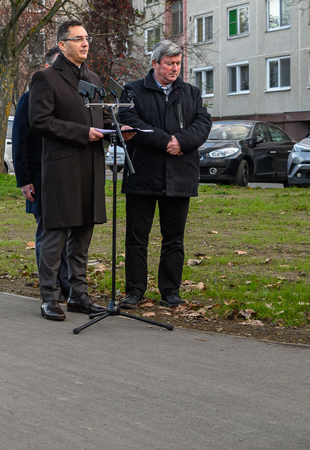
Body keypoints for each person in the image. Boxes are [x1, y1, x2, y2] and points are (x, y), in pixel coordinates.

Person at [29, 20, 129, 321]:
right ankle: (49, 297)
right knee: (55, 235)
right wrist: (82, 132)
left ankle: (78, 295)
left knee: (83, 234)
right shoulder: (45, 78)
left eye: (87, 39)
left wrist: (118, 128)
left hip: (91, 165)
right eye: (78, 39)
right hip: (61, 168)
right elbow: (40, 121)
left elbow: (97, 118)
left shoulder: (92, 78)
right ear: (62, 45)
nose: (85, 43)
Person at [117, 40, 212, 309]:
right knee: (137, 238)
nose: (174, 69)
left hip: (180, 177)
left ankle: (170, 290)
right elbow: (132, 122)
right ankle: (134, 291)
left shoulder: (190, 92)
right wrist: (165, 141)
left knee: (174, 239)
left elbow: (203, 124)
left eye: (178, 64)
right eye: (169, 63)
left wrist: (181, 141)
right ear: (155, 63)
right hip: (142, 175)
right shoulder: (132, 91)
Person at [11, 46, 71, 300]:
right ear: (48, 68)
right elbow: (20, 140)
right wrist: (24, 180)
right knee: (48, 234)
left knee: (67, 235)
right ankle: (51, 286)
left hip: (66, 177)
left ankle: (68, 285)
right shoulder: (31, 97)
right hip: (40, 178)